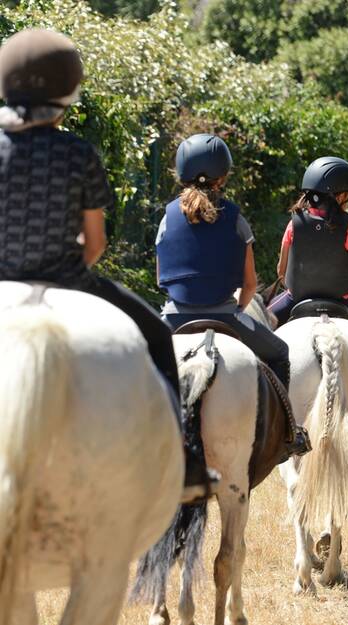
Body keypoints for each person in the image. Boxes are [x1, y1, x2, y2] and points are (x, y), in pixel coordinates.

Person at [0, 30, 215, 488]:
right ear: (67, 92)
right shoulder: (78, 153)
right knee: (158, 335)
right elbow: (94, 243)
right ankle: (187, 464)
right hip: (68, 279)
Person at [155, 133, 310, 459]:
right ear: (223, 176)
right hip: (226, 316)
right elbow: (250, 284)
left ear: (180, 172)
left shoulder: (166, 217)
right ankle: (287, 433)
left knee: (135, 357)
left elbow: (161, 278)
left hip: (172, 318)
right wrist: (236, 308)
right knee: (280, 353)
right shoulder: (236, 218)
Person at [268, 157, 348, 372]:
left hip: (295, 297)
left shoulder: (293, 224)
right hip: (341, 300)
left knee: (257, 324)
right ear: (340, 195)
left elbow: (281, 271)